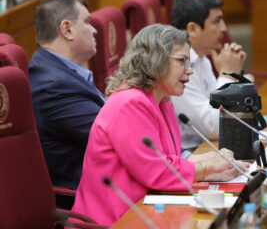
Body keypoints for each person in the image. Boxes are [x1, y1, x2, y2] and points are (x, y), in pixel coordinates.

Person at [72, 24, 249, 225]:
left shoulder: (162, 100)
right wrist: (207, 166)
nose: (190, 71)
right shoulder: (129, 103)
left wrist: (215, 169)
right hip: (115, 219)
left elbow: (167, 159)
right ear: (155, 61)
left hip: (146, 208)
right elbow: (156, 172)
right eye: (183, 61)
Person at [29, 0, 105, 189]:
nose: (94, 30)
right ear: (67, 29)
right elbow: (115, 137)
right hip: (91, 199)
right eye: (87, 22)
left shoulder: (58, 72)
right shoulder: (53, 86)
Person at [170, 0, 247, 158]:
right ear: (193, 29)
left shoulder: (202, 58)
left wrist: (230, 75)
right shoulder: (180, 65)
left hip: (206, 147)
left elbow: (222, 110)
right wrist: (228, 75)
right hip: (190, 155)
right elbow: (215, 126)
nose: (224, 28)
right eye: (217, 21)